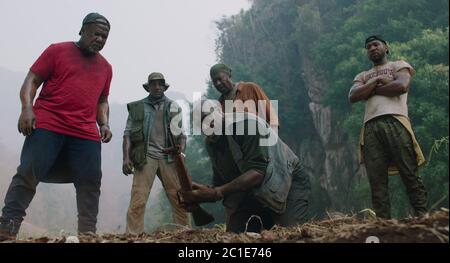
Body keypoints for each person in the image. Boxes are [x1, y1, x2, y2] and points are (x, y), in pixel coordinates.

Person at [0, 12, 113, 241]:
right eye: (96, 34)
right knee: (28, 172)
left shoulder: (106, 67)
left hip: (84, 131)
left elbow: (102, 100)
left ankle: (87, 234)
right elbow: (32, 80)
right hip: (49, 122)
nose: (100, 39)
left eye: (104, 36)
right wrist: (27, 109)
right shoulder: (57, 50)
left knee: (91, 179)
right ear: (83, 30)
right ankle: (7, 229)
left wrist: (104, 123)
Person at [181, 101, 310, 233]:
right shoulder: (212, 144)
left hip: (287, 181)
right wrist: (199, 195)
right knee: (234, 236)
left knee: (292, 234)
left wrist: (216, 192)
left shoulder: (248, 125)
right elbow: (222, 181)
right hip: (254, 193)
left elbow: (258, 173)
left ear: (221, 112)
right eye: (202, 123)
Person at [348, 35, 428, 219]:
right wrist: (378, 82)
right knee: (376, 180)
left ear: (386, 47)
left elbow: (401, 86)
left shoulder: (398, 65)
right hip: (370, 127)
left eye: (376, 44)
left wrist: (369, 90)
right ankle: (383, 223)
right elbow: (353, 96)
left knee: (409, 172)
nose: (372, 48)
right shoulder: (362, 75)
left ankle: (423, 216)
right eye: (368, 47)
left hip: (396, 121)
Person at [122, 72, 189, 235]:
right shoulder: (138, 107)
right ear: (148, 87)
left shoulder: (174, 107)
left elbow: (182, 136)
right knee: (138, 198)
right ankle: (133, 235)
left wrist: (180, 152)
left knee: (179, 198)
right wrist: (126, 158)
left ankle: (185, 234)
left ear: (164, 87)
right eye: (153, 84)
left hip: (169, 158)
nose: (157, 87)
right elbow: (128, 134)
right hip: (146, 157)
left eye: (160, 84)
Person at [209, 63, 279, 129]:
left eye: (220, 79)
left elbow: (271, 115)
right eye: (214, 81)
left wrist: (272, 137)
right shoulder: (219, 106)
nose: (218, 83)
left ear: (229, 75)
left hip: (260, 138)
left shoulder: (250, 89)